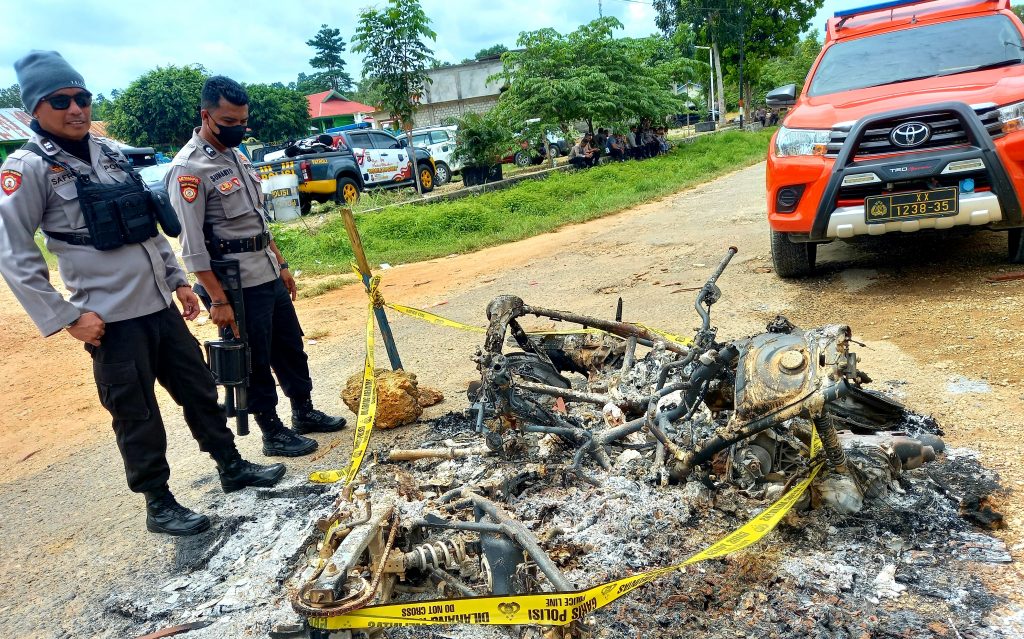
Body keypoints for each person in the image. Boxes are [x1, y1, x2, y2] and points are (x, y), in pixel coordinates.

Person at [0, 51, 286, 537]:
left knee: (199, 391)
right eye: (61, 101)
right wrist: (66, 318)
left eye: (83, 98)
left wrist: (176, 280)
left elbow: (149, 226)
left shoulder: (109, 153)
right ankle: (159, 503)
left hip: (158, 304)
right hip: (109, 318)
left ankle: (232, 467)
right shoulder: (27, 169)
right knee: (137, 413)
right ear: (35, 111)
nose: (76, 109)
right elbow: (12, 252)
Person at [166, 76, 346, 460]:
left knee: (290, 346)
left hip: (267, 271)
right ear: (206, 116)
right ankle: (272, 432)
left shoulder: (239, 156)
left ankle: (304, 411)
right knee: (255, 359)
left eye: (243, 121)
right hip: (236, 284)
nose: (238, 129)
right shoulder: (188, 169)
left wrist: (281, 263)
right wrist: (217, 299)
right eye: (229, 122)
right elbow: (192, 246)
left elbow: (258, 222)